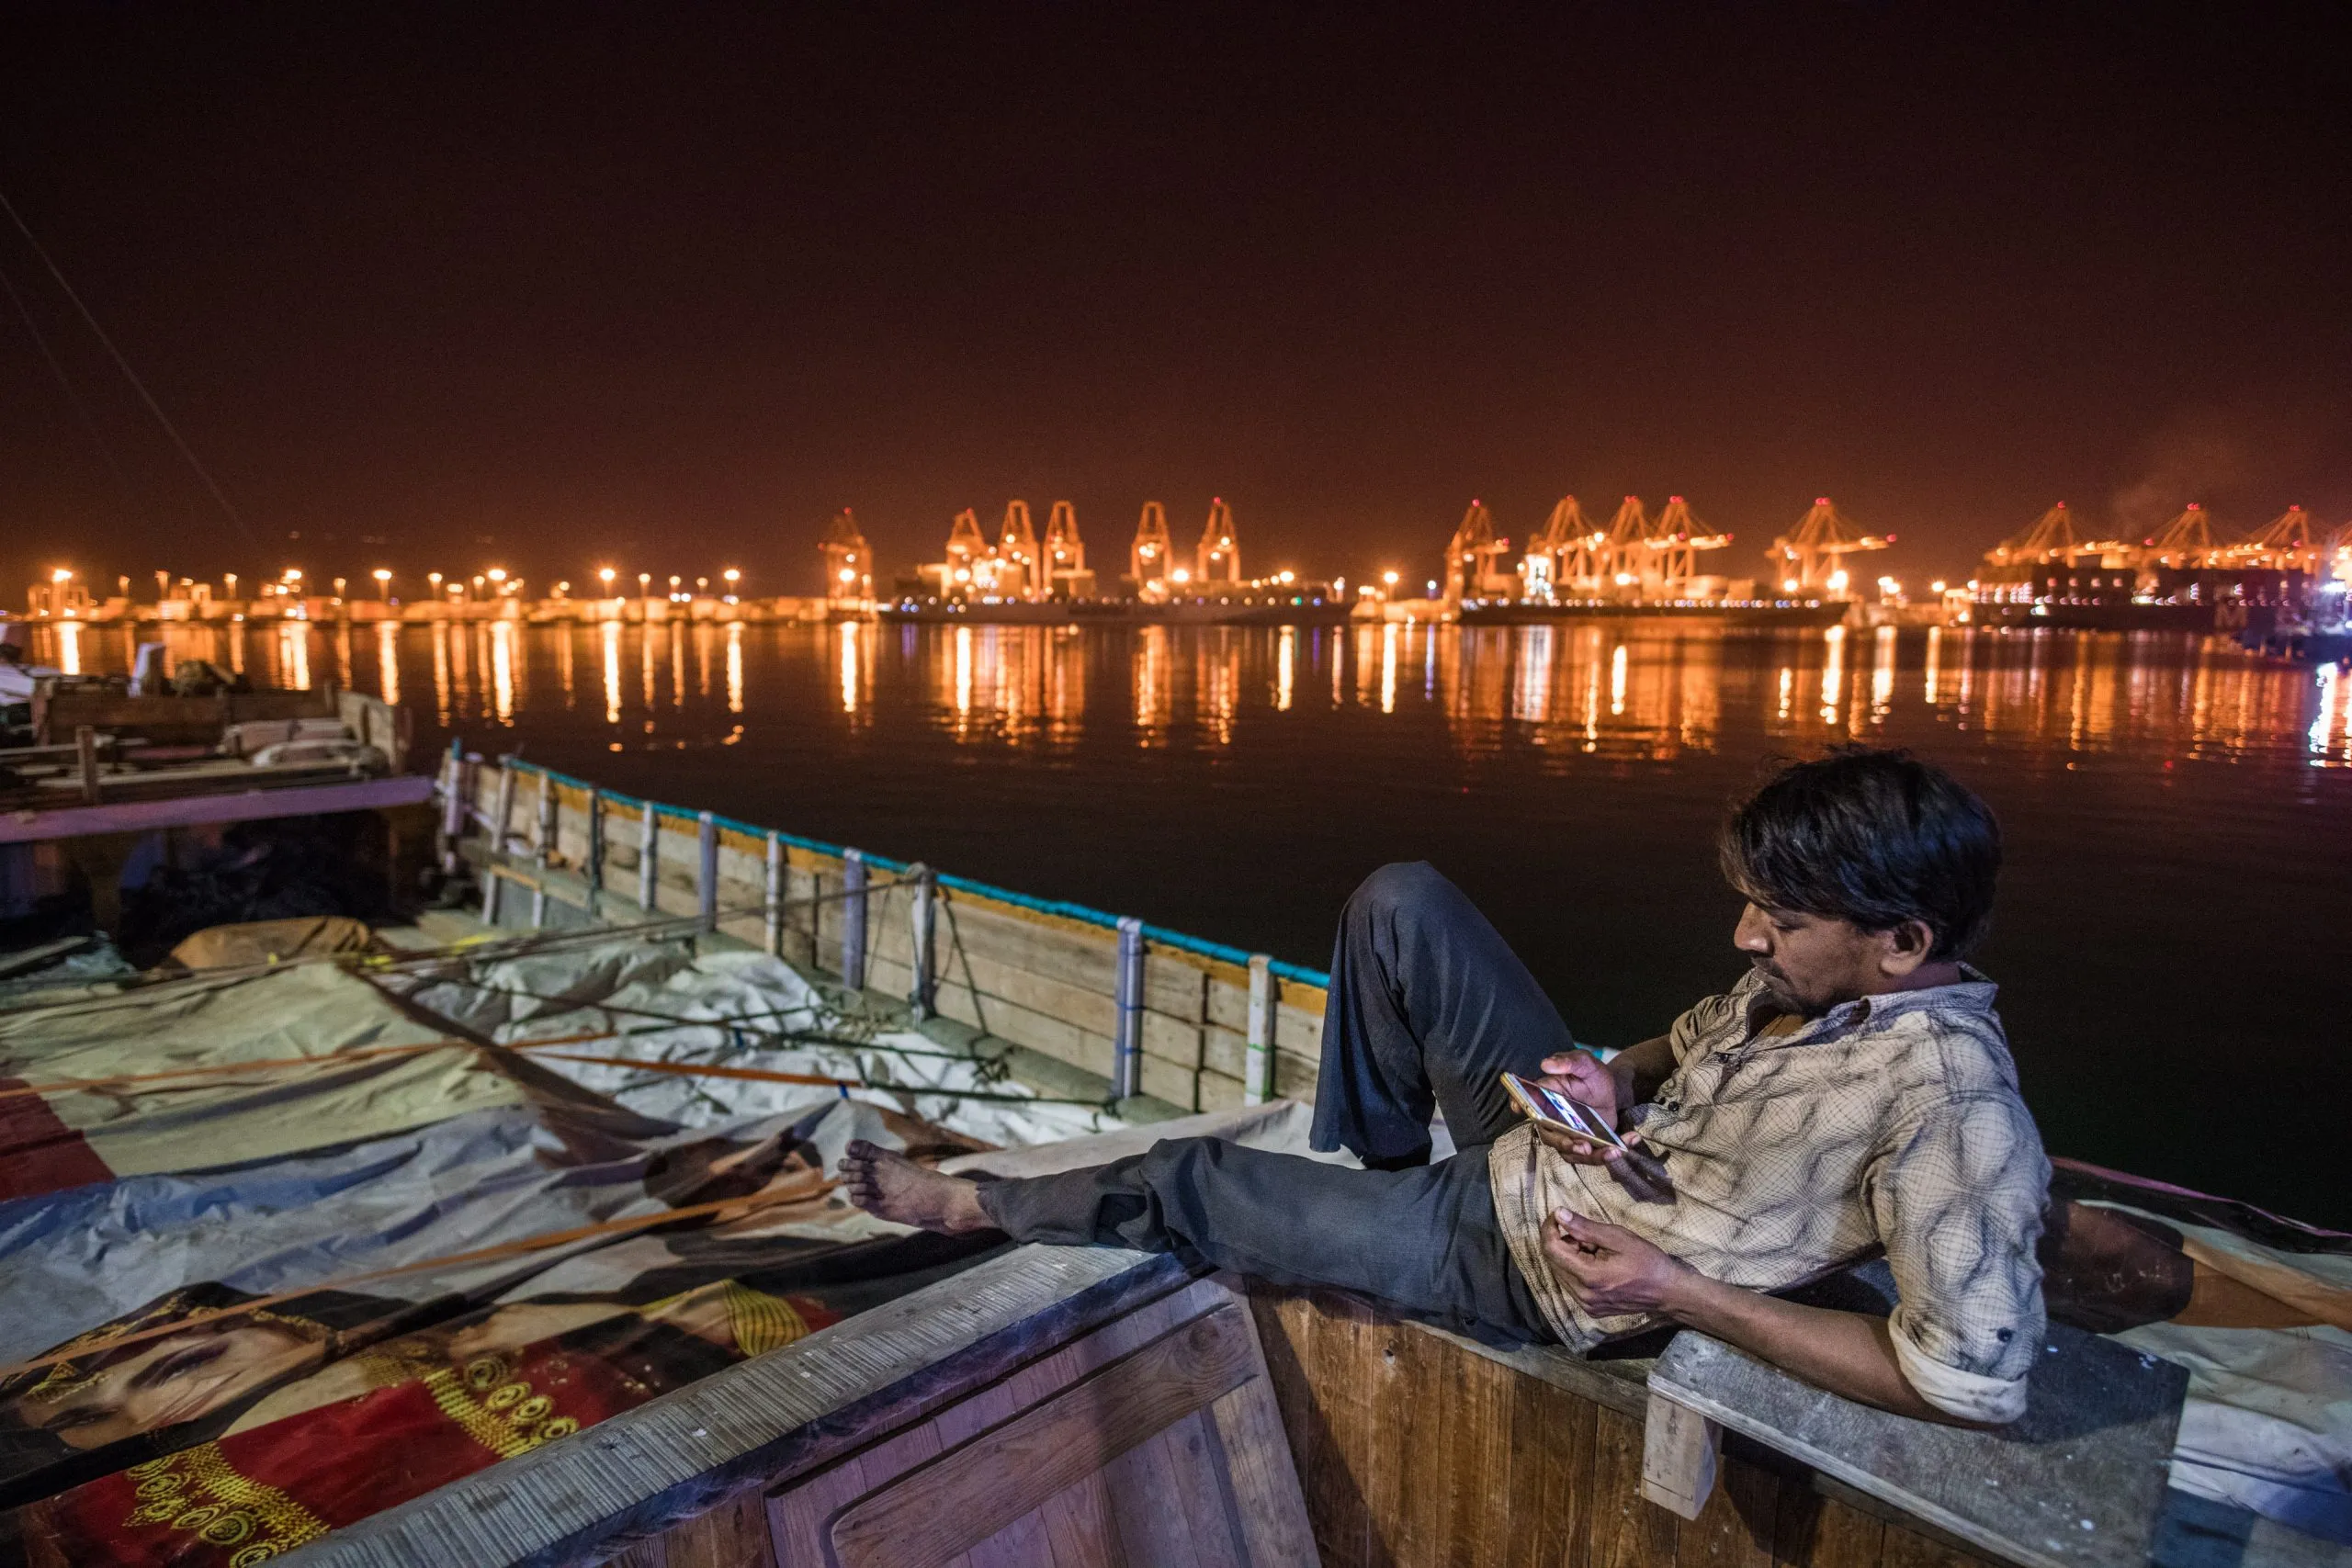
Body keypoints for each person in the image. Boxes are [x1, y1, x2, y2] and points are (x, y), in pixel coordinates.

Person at [846, 746, 2050, 1427]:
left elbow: (1964, 1383)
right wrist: (1609, 1079)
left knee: (1192, 1177)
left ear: (1903, 941)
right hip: (1566, 1154)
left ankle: (975, 1204)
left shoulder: (1952, 1106)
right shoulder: (1812, 981)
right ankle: (1388, 1187)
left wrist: (1677, 1290)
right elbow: (1676, 1048)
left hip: (1546, 1265)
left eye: (1777, 919)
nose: (1745, 936)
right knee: (1403, 902)